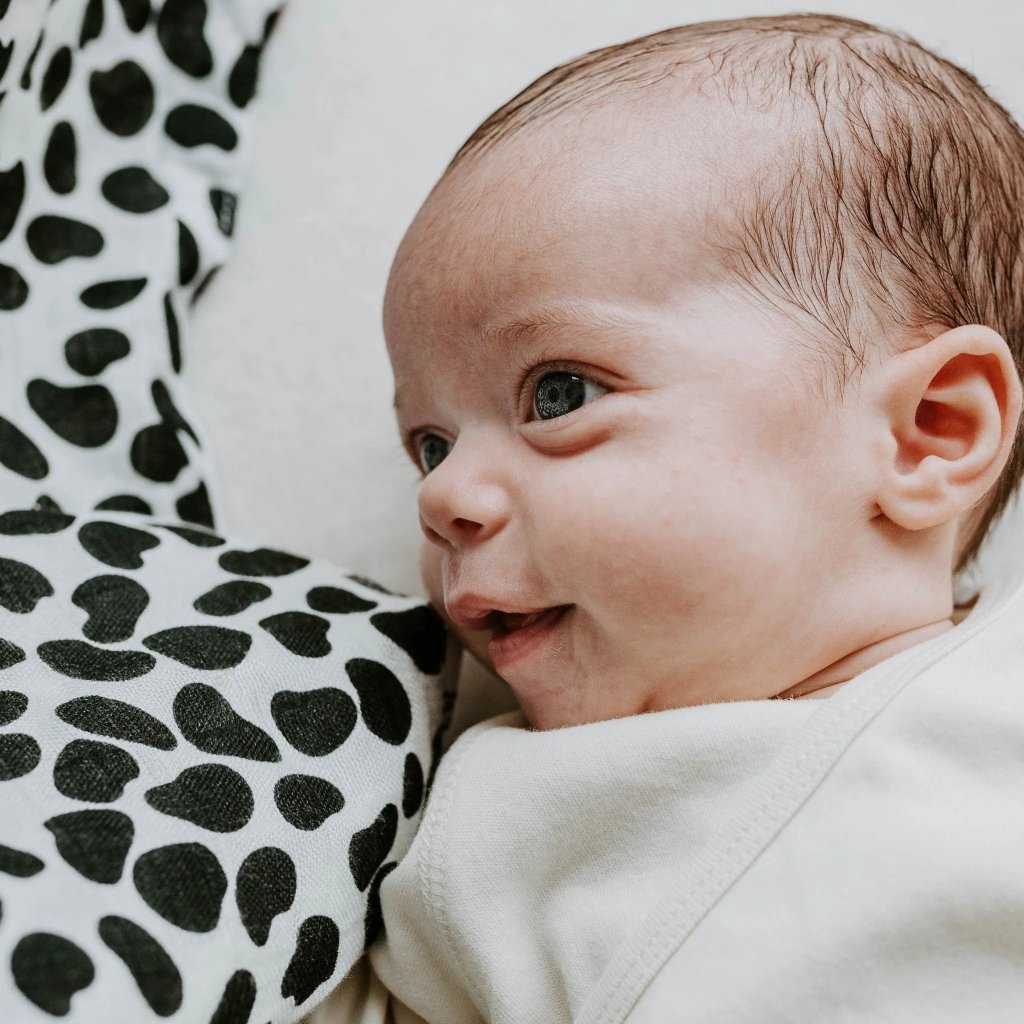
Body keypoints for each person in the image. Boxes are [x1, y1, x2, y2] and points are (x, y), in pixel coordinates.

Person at [311, 12, 1024, 1023]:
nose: (440, 496)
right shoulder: (500, 828)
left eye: (557, 394)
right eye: (429, 444)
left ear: (928, 432)